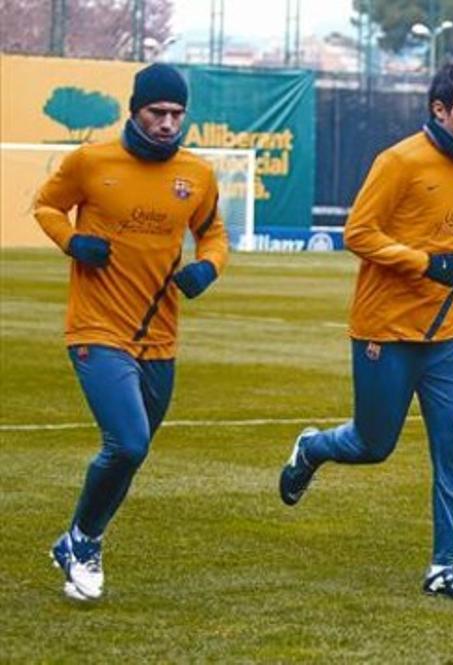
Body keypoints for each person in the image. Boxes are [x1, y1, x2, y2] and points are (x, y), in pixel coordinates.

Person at [277, 62, 453, 601]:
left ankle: (444, 566)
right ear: (439, 110)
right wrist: (421, 263)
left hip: (448, 335)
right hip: (384, 328)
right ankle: (313, 449)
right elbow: (358, 233)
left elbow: (452, 245)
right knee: (372, 443)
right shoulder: (400, 160)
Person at [35, 63, 229, 601]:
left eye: (176, 114)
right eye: (157, 113)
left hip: (159, 335)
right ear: (135, 110)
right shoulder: (91, 162)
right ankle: (87, 542)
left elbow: (213, 234)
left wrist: (207, 268)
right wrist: (73, 242)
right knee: (128, 441)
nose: (168, 124)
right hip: (96, 328)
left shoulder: (197, 175)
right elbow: (46, 206)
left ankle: (76, 538)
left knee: (134, 453)